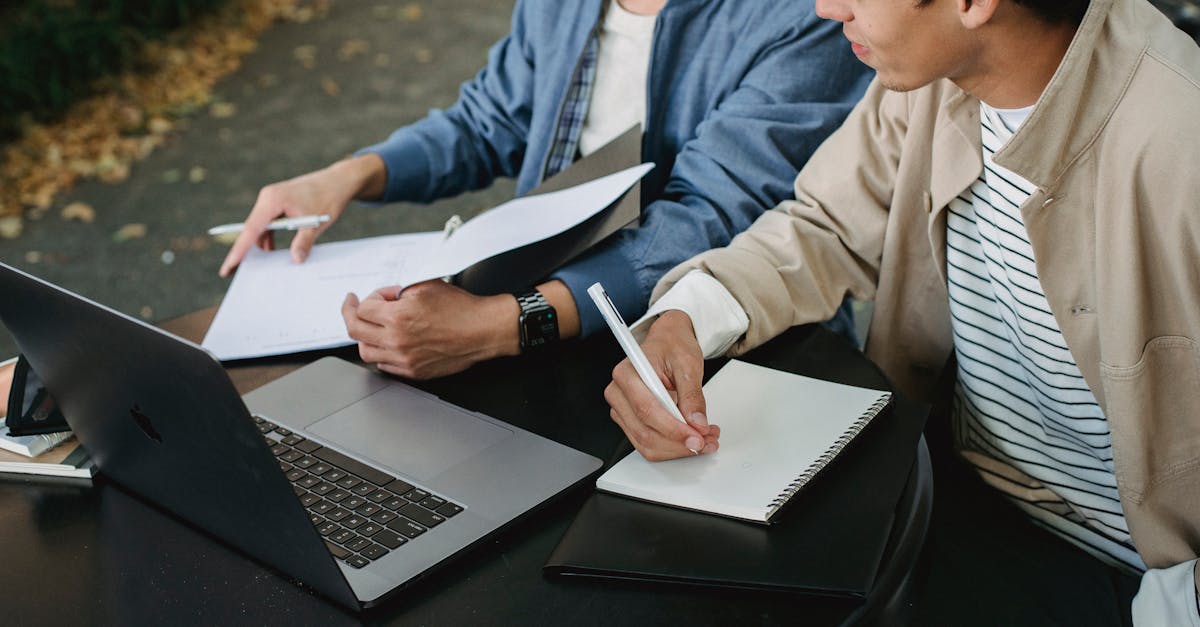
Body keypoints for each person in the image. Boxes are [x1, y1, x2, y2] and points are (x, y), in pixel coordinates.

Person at [603, 0, 1200, 623]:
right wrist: (685, 321)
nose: (825, 8)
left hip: (1129, 578)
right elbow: (824, 227)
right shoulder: (936, 71)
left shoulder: (1180, 143)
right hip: (946, 492)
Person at [218, 0, 872, 379]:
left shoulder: (807, 15)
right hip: (529, 310)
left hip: (712, 345)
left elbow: (707, 220)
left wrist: (494, 325)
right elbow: (491, 119)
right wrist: (351, 175)